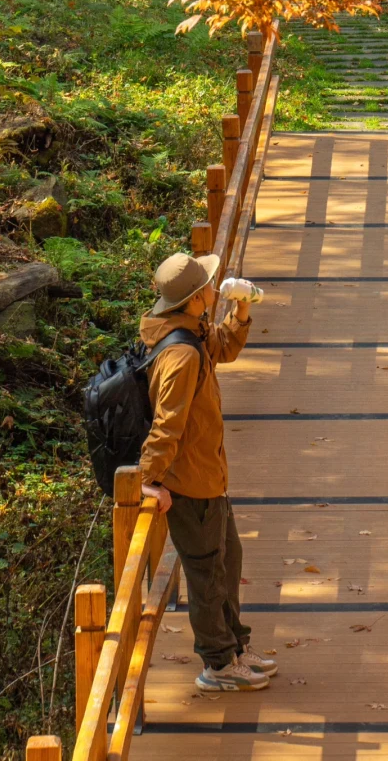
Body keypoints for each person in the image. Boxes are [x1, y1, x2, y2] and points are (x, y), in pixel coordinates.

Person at [139, 252, 275, 693]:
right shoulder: (180, 354)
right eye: (209, 288)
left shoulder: (193, 332)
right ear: (196, 298)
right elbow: (167, 424)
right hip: (191, 483)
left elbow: (226, 347)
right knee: (207, 573)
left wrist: (242, 310)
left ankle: (235, 645)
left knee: (227, 559)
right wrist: (147, 480)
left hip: (209, 475)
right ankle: (217, 665)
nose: (215, 291)